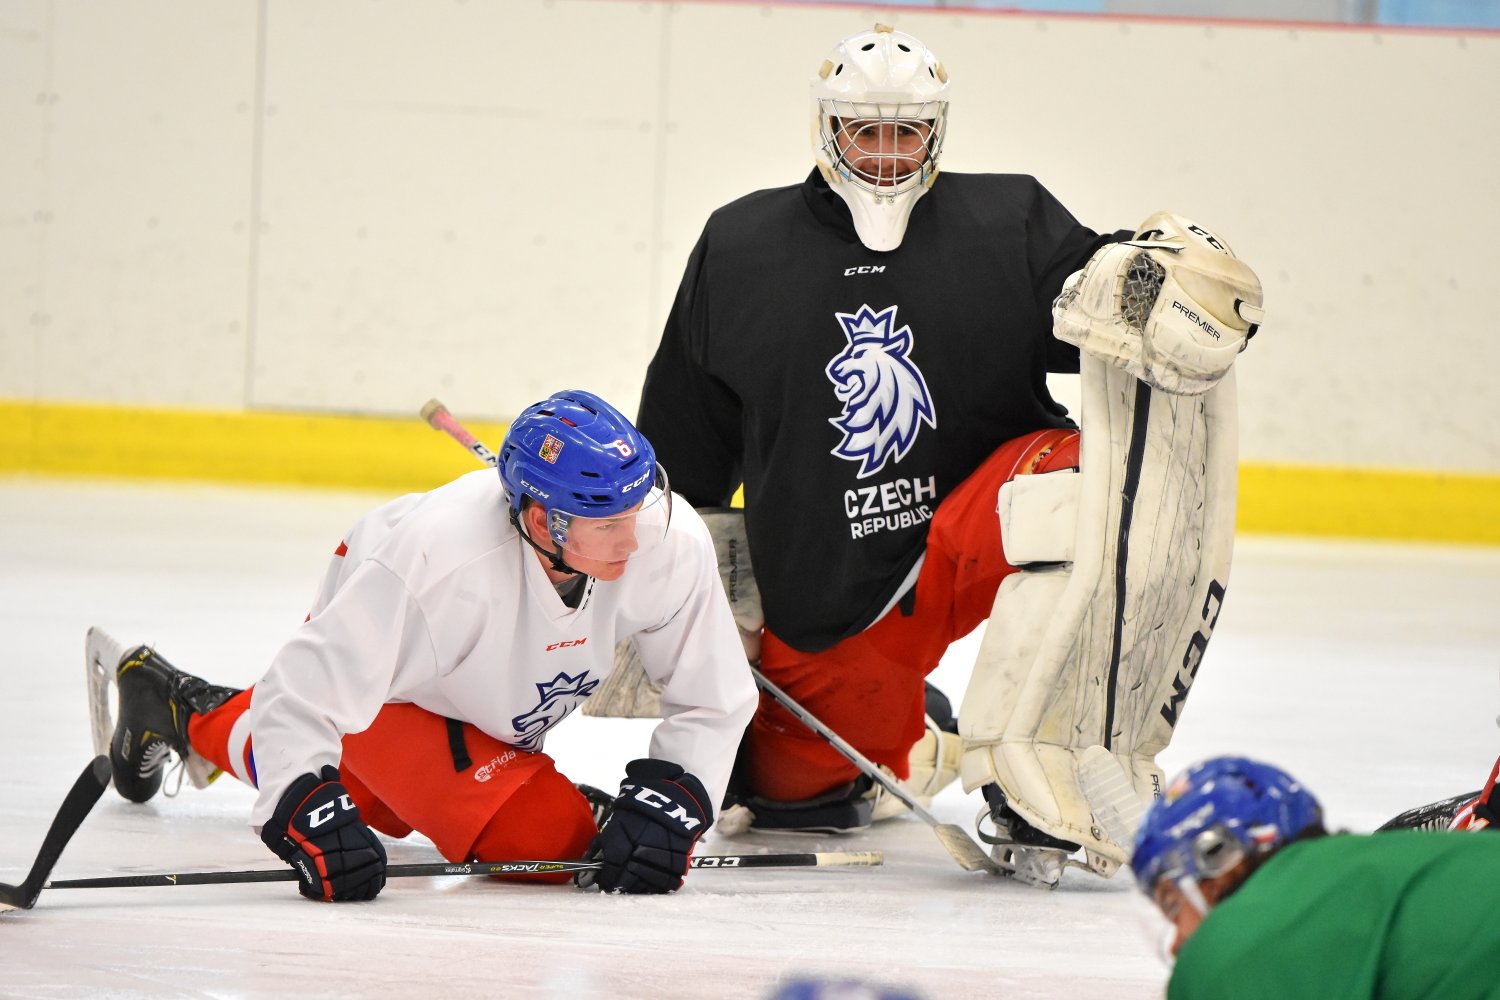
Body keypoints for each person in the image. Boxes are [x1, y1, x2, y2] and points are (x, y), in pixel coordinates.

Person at [631, 21, 1263, 883]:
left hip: (983, 512)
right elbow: (684, 447)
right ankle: (909, 741)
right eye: (866, 131)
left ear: (937, 130)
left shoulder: (1010, 222)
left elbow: (1110, 307)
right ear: (829, 129)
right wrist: (693, 597)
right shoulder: (740, 246)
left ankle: (1041, 754)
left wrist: (1163, 281)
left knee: (1093, 488)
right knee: (798, 796)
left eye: (908, 132)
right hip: (830, 586)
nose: (887, 154)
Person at [89, 389, 757, 901]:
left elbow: (715, 696)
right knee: (549, 839)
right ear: (539, 521)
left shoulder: (664, 538)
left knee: (371, 803)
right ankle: (578, 810)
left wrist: (680, 789)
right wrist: (298, 810)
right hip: (396, 694)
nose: (635, 539)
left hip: (478, 707)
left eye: (639, 508)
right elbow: (302, 697)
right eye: (608, 523)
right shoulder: (432, 567)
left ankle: (174, 706)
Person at [1131, 755, 1500, 999]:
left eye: (1172, 903)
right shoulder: (1382, 868)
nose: (1177, 944)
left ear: (1219, 859)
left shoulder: (1244, 944)